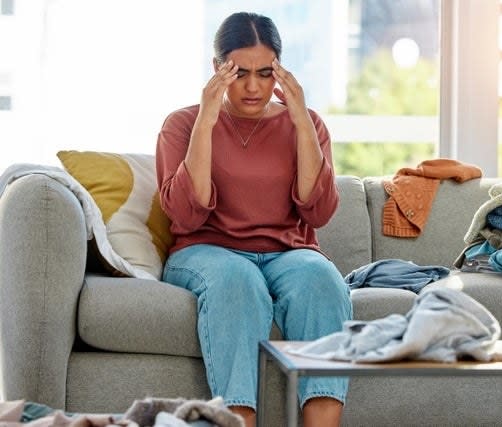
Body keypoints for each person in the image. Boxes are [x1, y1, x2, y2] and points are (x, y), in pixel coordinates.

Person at [155, 11, 353, 427]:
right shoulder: (182, 124)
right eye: (240, 73)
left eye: (265, 74)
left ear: (279, 72)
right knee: (237, 280)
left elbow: (318, 212)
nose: (252, 87)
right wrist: (207, 121)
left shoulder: (307, 123)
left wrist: (300, 121)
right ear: (217, 70)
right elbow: (186, 215)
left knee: (322, 278)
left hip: (288, 253)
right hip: (206, 252)